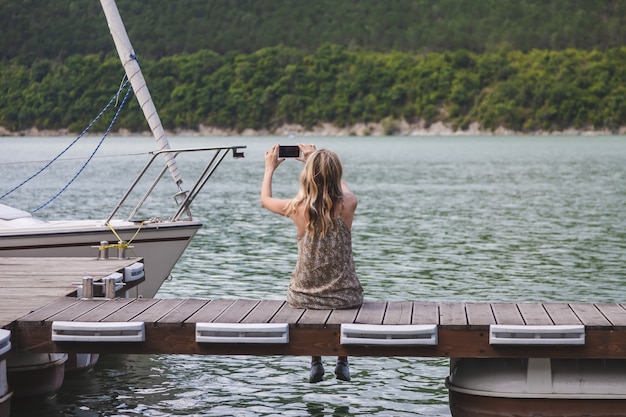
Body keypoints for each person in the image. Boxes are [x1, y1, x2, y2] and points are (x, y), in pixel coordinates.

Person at [261, 143, 363, 383]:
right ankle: (342, 360)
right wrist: (313, 160)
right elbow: (341, 188)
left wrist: (269, 168)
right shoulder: (348, 203)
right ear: (336, 175)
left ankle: (315, 362)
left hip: (303, 296)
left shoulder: (297, 207)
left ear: (308, 177)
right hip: (345, 296)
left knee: (310, 293)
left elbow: (265, 200)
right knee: (338, 298)